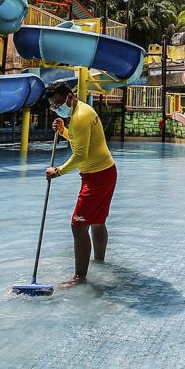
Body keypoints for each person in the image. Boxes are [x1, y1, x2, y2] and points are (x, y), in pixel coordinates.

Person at [44, 80, 117, 286]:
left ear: (69, 97)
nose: (58, 109)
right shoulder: (80, 111)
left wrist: (57, 171)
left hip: (98, 176)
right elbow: (80, 141)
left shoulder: (81, 117)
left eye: (59, 105)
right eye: (53, 107)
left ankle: (79, 278)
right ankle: (99, 261)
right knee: (97, 220)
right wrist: (64, 132)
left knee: (78, 225)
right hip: (104, 171)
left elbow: (80, 156)